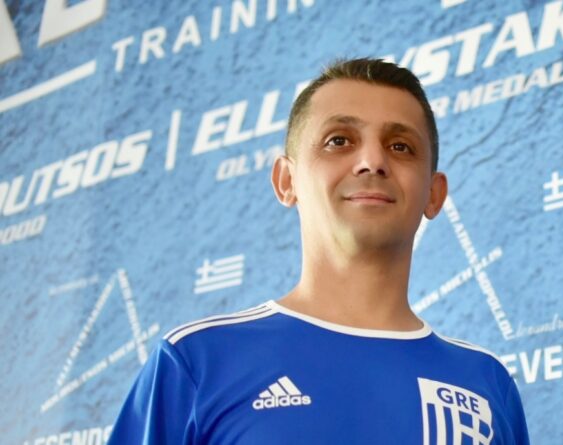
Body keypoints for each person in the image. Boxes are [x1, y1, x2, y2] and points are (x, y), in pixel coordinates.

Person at [107, 58, 530, 444]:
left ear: (434, 194)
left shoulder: (485, 384)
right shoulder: (198, 362)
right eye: (338, 140)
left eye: (400, 146)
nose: (372, 161)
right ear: (286, 181)